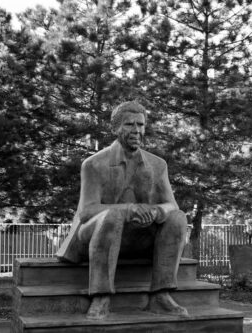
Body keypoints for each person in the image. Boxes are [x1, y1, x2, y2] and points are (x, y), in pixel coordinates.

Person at [56, 101, 188, 319]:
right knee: (112, 215)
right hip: (94, 234)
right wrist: (129, 209)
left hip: (137, 238)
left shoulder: (157, 165)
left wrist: (155, 212)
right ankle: (101, 297)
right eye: (129, 125)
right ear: (115, 128)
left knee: (177, 218)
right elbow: (86, 212)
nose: (136, 130)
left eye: (141, 125)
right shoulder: (93, 164)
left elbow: (171, 205)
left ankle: (161, 296)